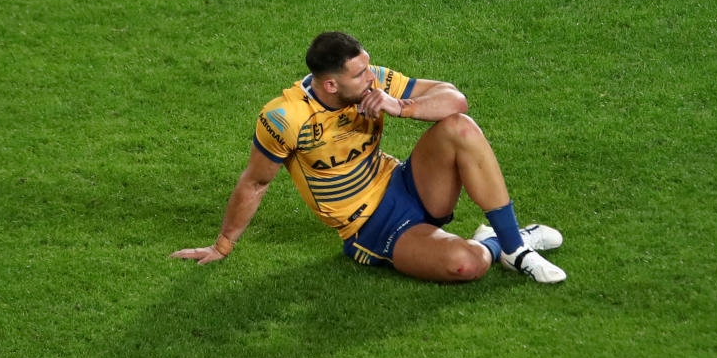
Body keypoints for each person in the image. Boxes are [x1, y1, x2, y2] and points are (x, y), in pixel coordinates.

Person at [171, 31, 566, 283]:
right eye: (360, 75)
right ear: (330, 84)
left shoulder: (372, 82)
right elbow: (255, 183)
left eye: (367, 68)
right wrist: (222, 246)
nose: (371, 79)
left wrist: (401, 107)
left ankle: (515, 248)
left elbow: (454, 97)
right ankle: (493, 242)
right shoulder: (284, 118)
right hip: (371, 226)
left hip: (409, 185)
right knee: (467, 264)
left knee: (459, 126)